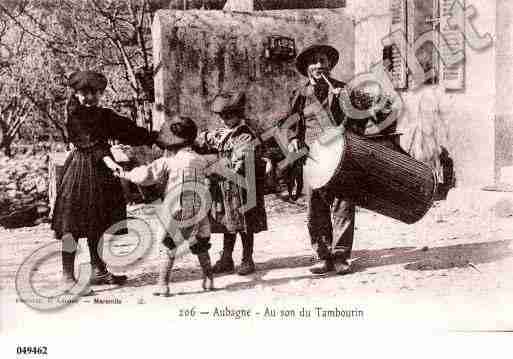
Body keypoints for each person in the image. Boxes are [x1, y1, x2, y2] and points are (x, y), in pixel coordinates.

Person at [282, 45, 395, 275]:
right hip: (314, 155)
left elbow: (364, 121)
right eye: (314, 62)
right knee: (316, 206)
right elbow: (290, 121)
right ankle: (322, 255)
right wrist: (293, 138)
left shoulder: (344, 90)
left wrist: (348, 105)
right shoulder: (300, 94)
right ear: (307, 68)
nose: (319, 65)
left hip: (343, 153)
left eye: (323, 61)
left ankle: (341, 255)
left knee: (344, 204)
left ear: (330, 65)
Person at [52, 70, 158, 290]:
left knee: (98, 221)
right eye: (84, 93)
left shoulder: (104, 115)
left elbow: (128, 130)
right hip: (80, 172)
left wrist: (157, 137)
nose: (89, 98)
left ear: (101, 94)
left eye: (94, 93)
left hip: (101, 175)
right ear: (76, 93)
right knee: (71, 224)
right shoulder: (74, 115)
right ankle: (66, 275)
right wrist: (111, 163)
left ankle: (98, 269)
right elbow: (92, 144)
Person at [116, 116, 214, 296]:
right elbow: (214, 168)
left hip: (177, 209)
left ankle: (163, 284)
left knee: (169, 246)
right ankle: (208, 279)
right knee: (200, 243)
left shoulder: (168, 161)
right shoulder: (201, 159)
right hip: (199, 210)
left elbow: (145, 176)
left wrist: (126, 173)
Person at [196, 91, 268, 276]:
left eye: (228, 116)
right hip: (226, 186)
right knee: (229, 222)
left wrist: (214, 169)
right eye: (221, 116)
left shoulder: (245, 134)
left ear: (239, 114)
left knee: (245, 224)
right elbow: (204, 141)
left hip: (244, 186)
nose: (224, 120)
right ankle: (227, 258)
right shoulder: (221, 132)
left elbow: (239, 162)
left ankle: (247, 258)